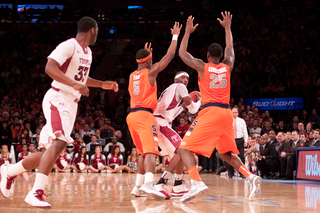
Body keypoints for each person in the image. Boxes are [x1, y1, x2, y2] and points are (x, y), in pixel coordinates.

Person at [0, 16, 118, 208]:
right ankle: (35, 192)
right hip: (58, 98)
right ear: (92, 30)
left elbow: (82, 77)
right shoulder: (69, 45)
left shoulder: (88, 52)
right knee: (60, 142)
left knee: (49, 153)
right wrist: (73, 84)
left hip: (71, 103)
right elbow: (50, 67)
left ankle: (9, 171)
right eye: (97, 31)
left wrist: (102, 84)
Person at [177, 13, 261, 202]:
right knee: (225, 153)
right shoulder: (227, 65)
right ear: (221, 56)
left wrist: (187, 32)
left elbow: (182, 54)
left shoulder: (202, 66)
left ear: (208, 55)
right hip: (226, 113)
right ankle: (251, 176)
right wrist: (227, 27)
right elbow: (230, 47)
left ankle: (196, 182)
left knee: (183, 148)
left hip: (211, 111)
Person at [127, 21, 181, 200]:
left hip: (132, 116)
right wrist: (175, 36)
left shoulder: (133, 75)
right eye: (151, 59)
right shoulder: (150, 73)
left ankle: (137, 187)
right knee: (151, 152)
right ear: (149, 61)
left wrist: (147, 55)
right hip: (145, 115)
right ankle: (150, 185)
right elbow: (170, 54)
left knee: (143, 153)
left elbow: (143, 62)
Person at [151, 71, 201, 198]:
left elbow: (173, 114)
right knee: (184, 149)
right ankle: (161, 183)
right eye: (182, 77)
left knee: (179, 154)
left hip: (160, 122)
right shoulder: (180, 87)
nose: (185, 80)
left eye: (187, 78)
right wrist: (199, 101)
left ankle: (178, 185)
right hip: (160, 122)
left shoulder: (171, 90)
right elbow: (193, 109)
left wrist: (183, 106)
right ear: (176, 79)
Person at [226, 107, 248, 178]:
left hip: (240, 140)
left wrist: (246, 140)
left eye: (236, 112)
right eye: (233, 112)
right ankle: (230, 173)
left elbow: (245, 131)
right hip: (231, 140)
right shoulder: (228, 120)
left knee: (241, 157)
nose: (234, 114)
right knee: (230, 157)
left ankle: (242, 173)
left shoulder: (242, 121)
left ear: (238, 113)